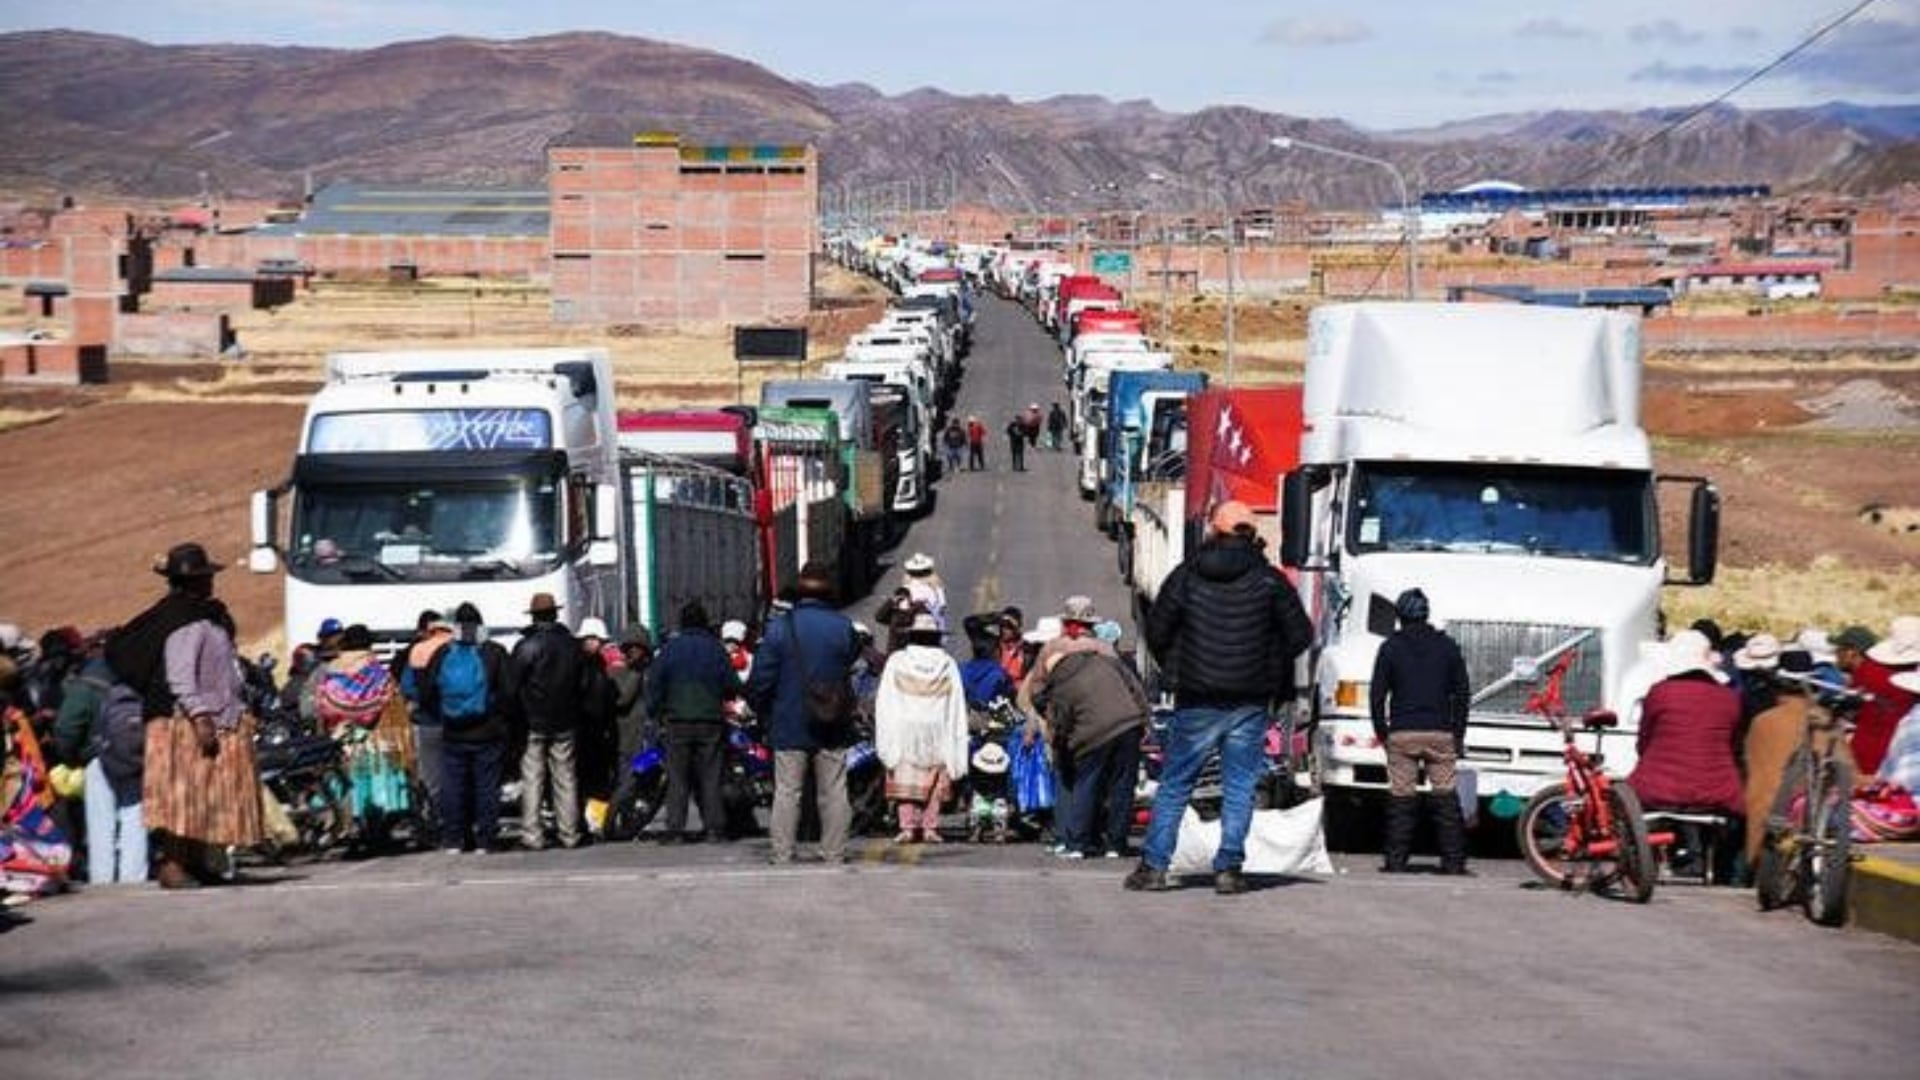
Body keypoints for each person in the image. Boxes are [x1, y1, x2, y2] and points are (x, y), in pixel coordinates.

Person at [1128, 501, 1312, 895]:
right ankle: (1229, 866)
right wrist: (1270, 667)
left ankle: (1154, 866)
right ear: (1251, 533)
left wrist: (1179, 667)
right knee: (1240, 786)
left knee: (1176, 783)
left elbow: (1157, 629)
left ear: (1213, 530)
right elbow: (1300, 635)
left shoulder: (1187, 576)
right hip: (1248, 700)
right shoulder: (1269, 580)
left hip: (1196, 697)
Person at [104, 542, 263, 889]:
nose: (210, 583)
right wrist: (201, 715)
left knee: (203, 795)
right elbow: (179, 674)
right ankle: (172, 865)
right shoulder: (184, 621)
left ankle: (196, 862)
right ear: (188, 581)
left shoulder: (207, 616)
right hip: (186, 721)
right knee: (182, 796)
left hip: (209, 716)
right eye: (204, 577)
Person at [748, 561, 861, 864]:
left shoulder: (780, 629)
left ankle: (783, 851)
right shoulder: (843, 627)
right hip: (832, 719)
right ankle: (834, 851)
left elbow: (761, 679)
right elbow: (849, 663)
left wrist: (762, 708)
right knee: (834, 790)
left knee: (787, 792)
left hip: (788, 720)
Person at [1369, 588, 1472, 875]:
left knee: (1401, 798)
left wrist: (1382, 732)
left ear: (1400, 616)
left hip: (1402, 733)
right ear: (1426, 614)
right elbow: (1462, 694)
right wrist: (1458, 734)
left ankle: (1396, 861)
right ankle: (1453, 862)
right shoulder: (1448, 646)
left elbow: (1377, 695)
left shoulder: (1390, 647)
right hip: (1440, 732)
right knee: (1446, 798)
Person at [1043, 640, 1150, 860]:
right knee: (1123, 786)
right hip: (1129, 725)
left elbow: (1061, 723)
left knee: (1087, 784)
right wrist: (1145, 720)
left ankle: (1078, 844)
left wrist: (1062, 745)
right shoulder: (1106, 662)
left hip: (1093, 735)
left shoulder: (1061, 683)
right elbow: (1136, 688)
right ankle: (1116, 844)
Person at [421, 603, 513, 853]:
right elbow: (509, 692)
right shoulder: (494, 652)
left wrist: (443, 713)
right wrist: (498, 717)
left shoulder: (443, 653)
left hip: (453, 731)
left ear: (456, 627)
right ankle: (486, 839)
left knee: (454, 786)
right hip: (488, 730)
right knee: (486, 786)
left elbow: (427, 690)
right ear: (481, 625)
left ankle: (454, 839)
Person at [645, 602, 738, 844]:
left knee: (678, 777)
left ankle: (675, 829)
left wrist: (654, 712)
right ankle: (715, 829)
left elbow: (655, 684)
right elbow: (732, 686)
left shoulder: (670, 649)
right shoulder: (716, 650)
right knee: (711, 776)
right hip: (710, 720)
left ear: (682, 623)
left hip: (677, 721)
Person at [1627, 629, 1745, 818]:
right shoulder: (1729, 698)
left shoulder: (1660, 692)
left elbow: (1643, 742)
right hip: (1719, 791)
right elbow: (1734, 745)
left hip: (1656, 787)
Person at [875, 613, 969, 844]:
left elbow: (885, 698)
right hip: (937, 727)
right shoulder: (946, 663)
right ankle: (930, 827)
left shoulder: (898, 661)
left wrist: (887, 731)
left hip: (906, 727)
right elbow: (956, 702)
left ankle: (907, 826)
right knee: (935, 778)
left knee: (906, 776)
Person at [509, 592, 589, 849]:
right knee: (565, 777)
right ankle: (569, 833)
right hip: (565, 720)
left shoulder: (526, 646)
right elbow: (584, 683)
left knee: (533, 777)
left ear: (534, 617)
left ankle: (532, 835)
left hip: (533, 721)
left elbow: (511, 685)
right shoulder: (571, 645)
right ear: (555, 614)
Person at [399, 609, 455, 810]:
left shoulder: (419, 650)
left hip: (425, 720)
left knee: (429, 775)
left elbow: (407, 687)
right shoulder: (459, 648)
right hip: (458, 721)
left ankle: (432, 816)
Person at [1852, 616, 1920, 775]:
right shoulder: (1912, 678)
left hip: (1862, 749)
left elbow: (1855, 704)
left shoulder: (1868, 668)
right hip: (1900, 755)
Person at [574, 616, 619, 810]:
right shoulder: (588, 665)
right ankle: (588, 822)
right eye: (597, 640)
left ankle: (591, 821)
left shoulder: (593, 663)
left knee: (592, 780)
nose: (599, 644)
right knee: (590, 780)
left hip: (593, 730)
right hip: (587, 729)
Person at [609, 625, 654, 774]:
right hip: (627, 740)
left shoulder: (653, 671)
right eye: (630, 647)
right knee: (628, 780)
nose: (634, 650)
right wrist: (636, 672)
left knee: (648, 777)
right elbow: (621, 700)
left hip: (649, 739)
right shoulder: (617, 671)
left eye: (638, 647)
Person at [901, 552, 948, 631]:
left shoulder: (905, 588)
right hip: (933, 628)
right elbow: (942, 605)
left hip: (912, 628)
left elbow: (902, 609)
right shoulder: (936, 588)